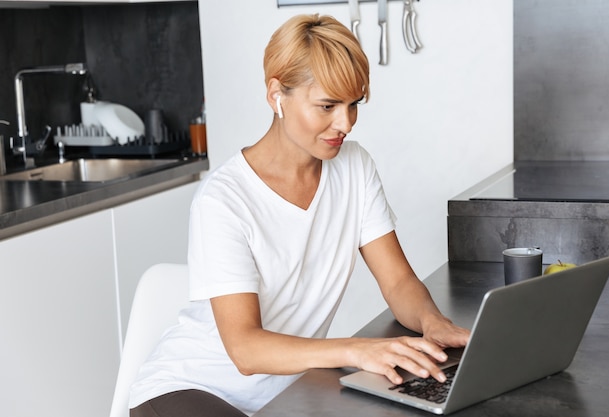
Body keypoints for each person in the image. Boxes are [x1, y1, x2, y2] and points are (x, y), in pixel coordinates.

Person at [129, 13, 469, 417]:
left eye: (353, 104)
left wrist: (433, 323)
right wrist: (357, 349)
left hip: (287, 392)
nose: (344, 124)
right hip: (188, 391)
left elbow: (397, 282)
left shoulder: (354, 168)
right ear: (277, 95)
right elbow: (245, 349)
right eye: (327, 105)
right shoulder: (223, 200)